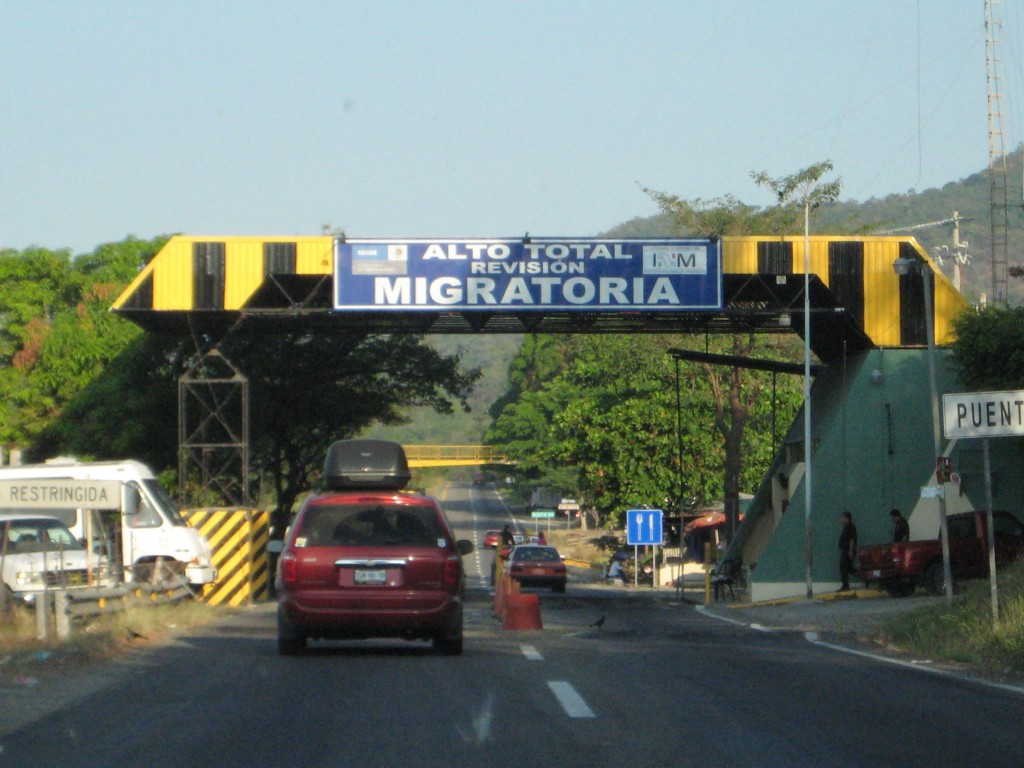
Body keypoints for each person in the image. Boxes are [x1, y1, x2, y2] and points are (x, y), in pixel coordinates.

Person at [838, 511, 858, 591]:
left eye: (843, 518)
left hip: (847, 551)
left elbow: (852, 539)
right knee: (849, 568)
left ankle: (845, 586)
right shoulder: (846, 527)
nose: (841, 520)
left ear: (847, 518)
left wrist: (850, 551)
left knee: (843, 568)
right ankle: (862, 574)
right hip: (846, 550)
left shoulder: (850, 527)